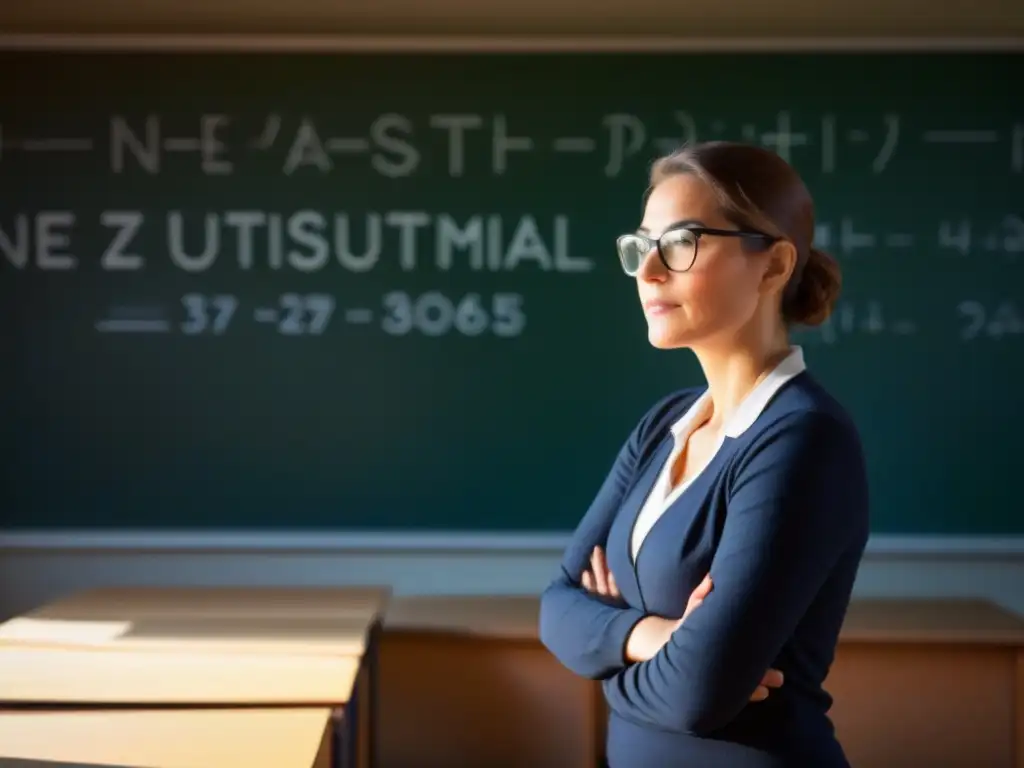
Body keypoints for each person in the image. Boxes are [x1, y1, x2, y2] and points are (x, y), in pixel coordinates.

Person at [538, 141, 869, 767]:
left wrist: (605, 653)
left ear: (773, 266)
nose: (649, 270)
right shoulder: (665, 423)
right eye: (641, 245)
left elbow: (697, 694)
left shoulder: (803, 439)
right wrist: (655, 636)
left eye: (682, 242)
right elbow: (556, 607)